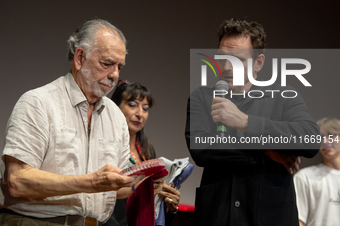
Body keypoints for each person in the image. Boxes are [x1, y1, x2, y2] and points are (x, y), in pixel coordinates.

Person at [0, 19, 144, 225]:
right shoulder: (38, 103)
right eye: (107, 63)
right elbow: (17, 181)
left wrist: (139, 182)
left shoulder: (116, 116)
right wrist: (91, 182)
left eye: (119, 66)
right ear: (79, 57)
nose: (115, 75)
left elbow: (115, 188)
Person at [185, 18, 320, 226]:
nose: (227, 67)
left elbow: (310, 139)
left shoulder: (284, 96)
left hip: (269, 217)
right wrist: (266, 151)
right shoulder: (202, 97)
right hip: (218, 216)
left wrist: (246, 122)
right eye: (222, 58)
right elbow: (202, 149)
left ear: (259, 62)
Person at [103, 81, 180, 226]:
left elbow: (150, 205)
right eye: (132, 105)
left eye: (145, 108)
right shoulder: (105, 146)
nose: (140, 114)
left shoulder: (147, 151)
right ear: (115, 107)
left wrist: (169, 206)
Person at [294, 117, 340, 226]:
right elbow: (299, 220)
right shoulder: (305, 177)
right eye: (320, 137)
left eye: (331, 135)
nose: (325, 141)